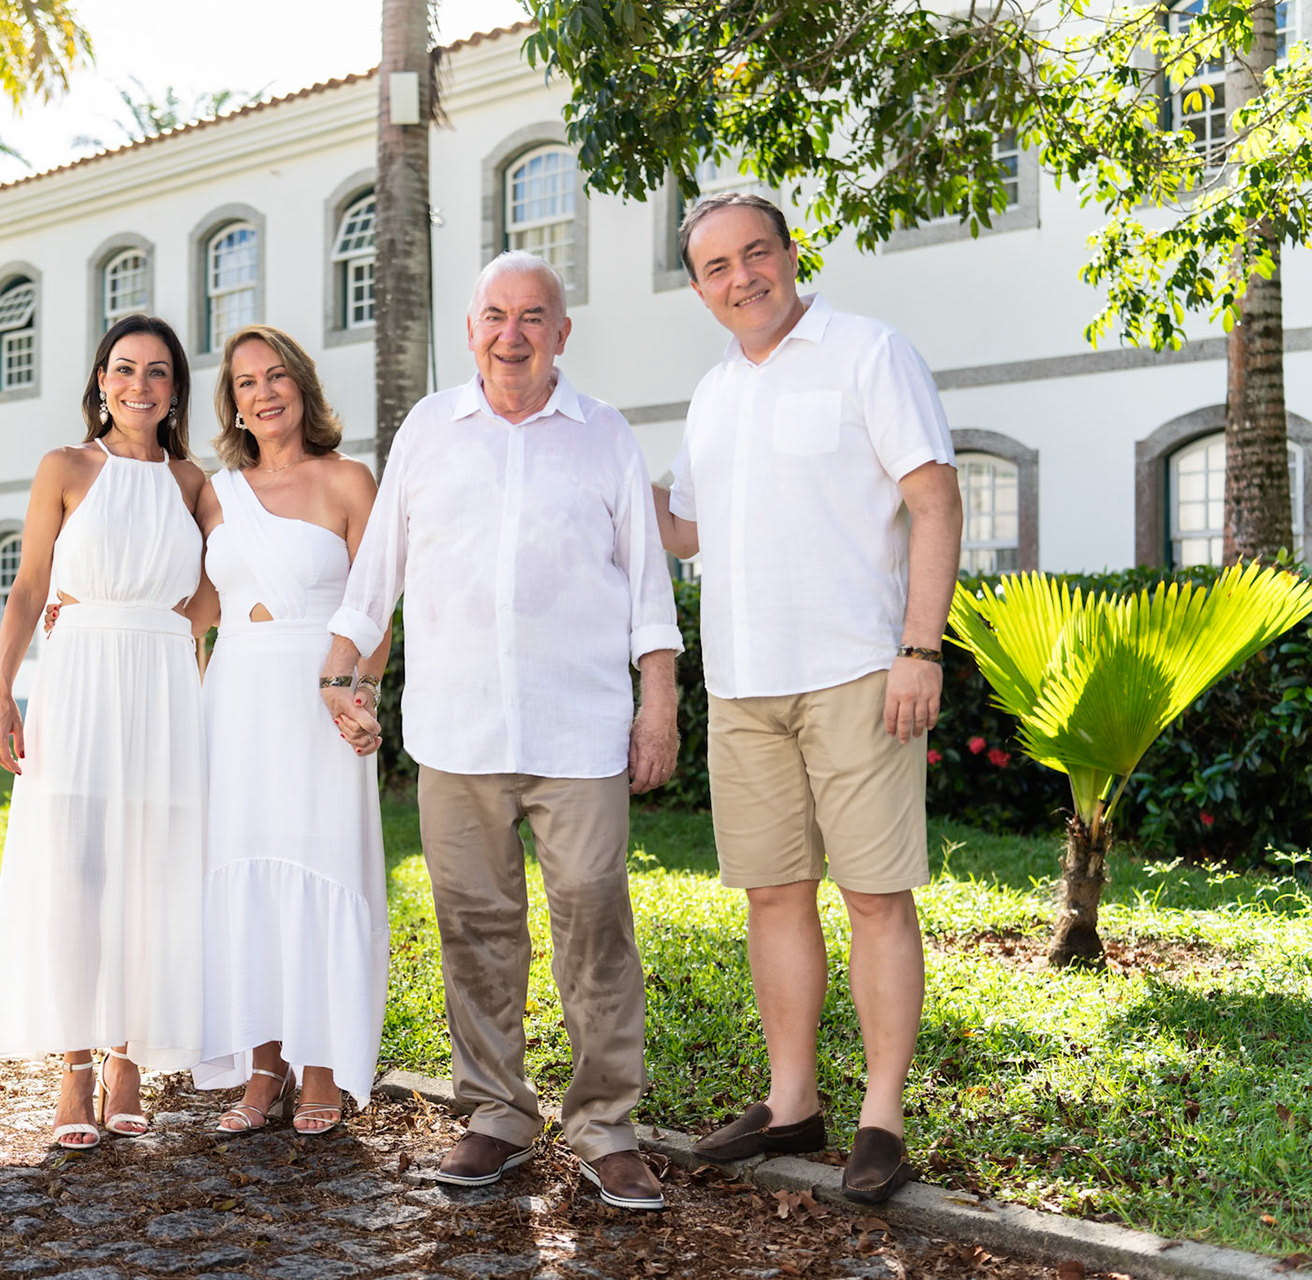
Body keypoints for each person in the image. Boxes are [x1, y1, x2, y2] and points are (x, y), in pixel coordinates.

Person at [321, 251, 683, 1211]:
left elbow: (650, 588)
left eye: (533, 316)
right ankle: (496, 1115)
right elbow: (377, 575)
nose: (512, 334)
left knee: (595, 922)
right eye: (494, 316)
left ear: (563, 332)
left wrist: (660, 705)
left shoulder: (605, 436)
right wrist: (338, 670)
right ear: (469, 328)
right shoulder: (428, 432)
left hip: (581, 730)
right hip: (456, 729)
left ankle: (608, 1128)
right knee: (475, 930)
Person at [656, 192, 962, 1204]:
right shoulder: (709, 394)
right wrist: (590, 463)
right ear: (699, 290)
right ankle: (792, 1102)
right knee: (774, 894)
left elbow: (933, 496)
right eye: (716, 267)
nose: (741, 277)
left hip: (857, 672)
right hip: (743, 684)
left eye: (756, 254)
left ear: (791, 254)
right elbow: (686, 529)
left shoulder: (868, 351)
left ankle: (881, 1115)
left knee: (876, 894)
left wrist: (921, 647)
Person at [0, 315, 212, 1153]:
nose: (138, 385)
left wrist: (188, 627)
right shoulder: (66, 467)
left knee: (152, 869)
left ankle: (128, 1059)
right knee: (79, 870)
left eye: (156, 371)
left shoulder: (193, 481)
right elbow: (29, 582)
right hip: (77, 678)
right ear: (100, 380)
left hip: (162, 681)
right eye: (123, 368)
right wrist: (4, 689)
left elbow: (236, 569)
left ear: (175, 387)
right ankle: (74, 1062)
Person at [190, 323, 390, 1137]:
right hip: (233, 699)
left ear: (302, 385)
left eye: (276, 377)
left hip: (320, 701)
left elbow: (377, 607)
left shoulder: (348, 480)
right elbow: (200, 609)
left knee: (319, 865)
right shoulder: (214, 492)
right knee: (246, 872)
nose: (263, 393)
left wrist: (359, 697)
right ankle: (261, 1064)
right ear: (231, 402)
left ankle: (322, 1066)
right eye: (245, 383)